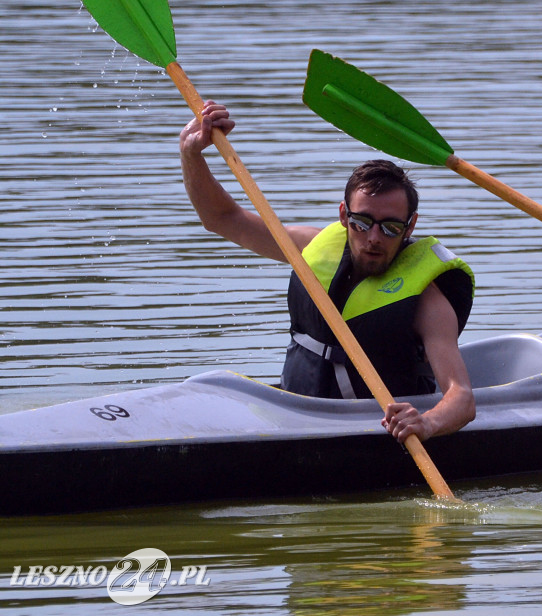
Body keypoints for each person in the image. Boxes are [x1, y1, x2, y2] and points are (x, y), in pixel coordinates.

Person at [179, 101, 475, 443]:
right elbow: (222, 219)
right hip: (297, 413)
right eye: (362, 222)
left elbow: (462, 398)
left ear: (410, 228)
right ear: (343, 215)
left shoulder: (428, 302)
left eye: (391, 227)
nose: (374, 239)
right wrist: (191, 155)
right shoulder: (310, 247)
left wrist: (426, 423)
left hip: (378, 429)